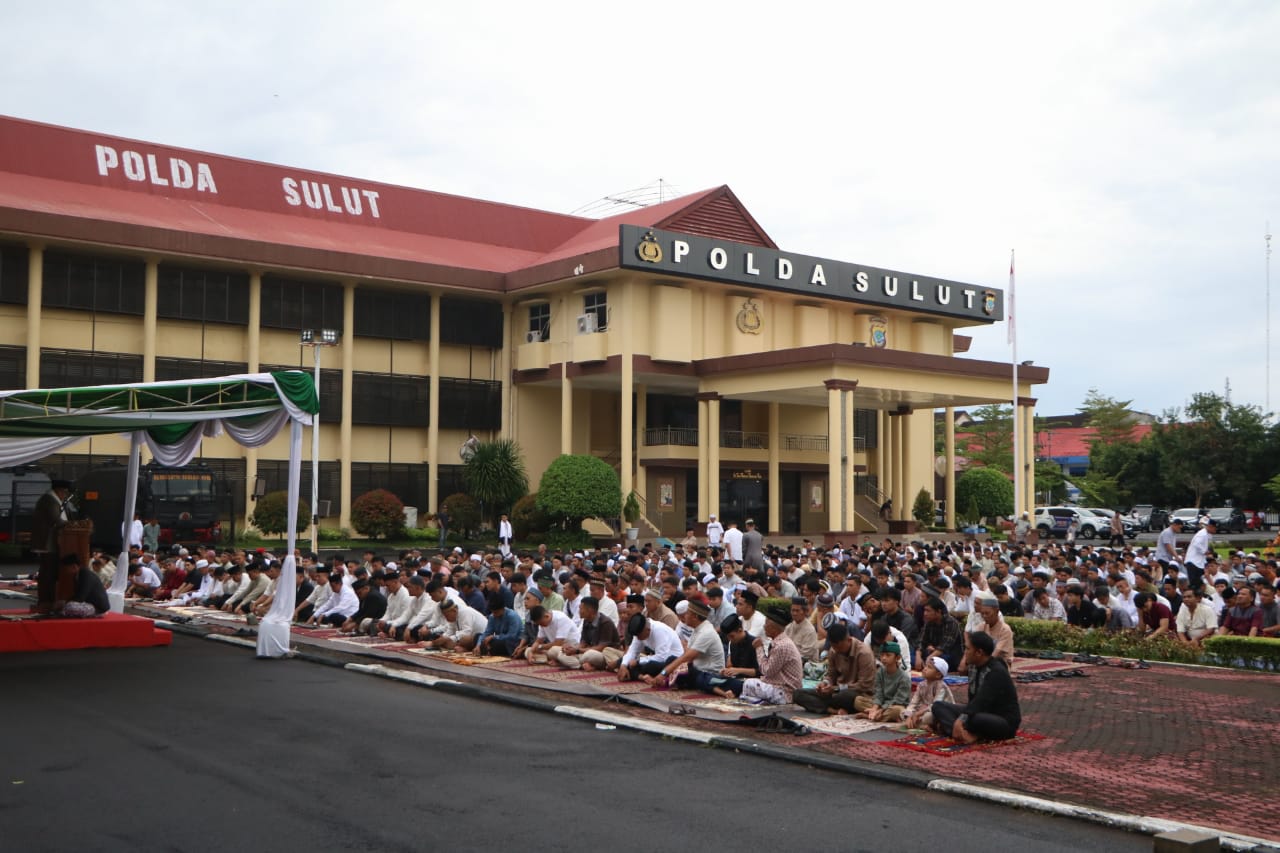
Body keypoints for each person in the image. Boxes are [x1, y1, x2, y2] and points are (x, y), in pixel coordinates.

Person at [930, 631, 1021, 743]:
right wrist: (963, 718)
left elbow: (981, 701)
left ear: (979, 652)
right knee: (938, 706)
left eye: (968, 649)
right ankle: (964, 734)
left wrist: (961, 720)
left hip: (1002, 721)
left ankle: (960, 731)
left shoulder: (997, 671)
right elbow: (972, 701)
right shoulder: (973, 666)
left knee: (974, 719)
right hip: (978, 712)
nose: (965, 652)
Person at [713, 599, 802, 705]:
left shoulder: (782, 645)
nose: (764, 627)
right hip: (772, 684)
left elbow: (765, 671)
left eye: (766, 624)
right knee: (726, 680)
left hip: (784, 692)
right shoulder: (778, 642)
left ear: (774, 628)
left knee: (741, 684)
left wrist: (758, 648)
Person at [791, 622, 876, 715]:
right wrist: (825, 683)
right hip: (835, 693)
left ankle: (821, 705)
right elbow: (831, 674)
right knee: (798, 694)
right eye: (834, 647)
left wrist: (837, 689)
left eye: (839, 647)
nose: (836, 650)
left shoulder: (864, 653)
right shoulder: (833, 651)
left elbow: (864, 685)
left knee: (845, 696)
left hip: (855, 694)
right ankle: (831, 710)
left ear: (848, 640)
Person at [652, 598, 725, 690]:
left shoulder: (707, 632)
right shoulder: (697, 629)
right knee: (670, 660)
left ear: (695, 617)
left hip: (708, 674)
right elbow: (686, 657)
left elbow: (687, 657)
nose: (684, 617)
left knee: (682, 669)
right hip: (696, 669)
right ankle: (669, 681)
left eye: (687, 614)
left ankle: (668, 681)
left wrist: (664, 673)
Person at [31, 478, 73, 613]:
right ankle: (46, 600)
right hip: (48, 542)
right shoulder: (49, 499)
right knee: (48, 572)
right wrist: (71, 525)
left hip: (53, 541)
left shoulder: (54, 499)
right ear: (59, 490)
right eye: (65, 492)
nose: (65, 495)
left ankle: (50, 599)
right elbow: (55, 519)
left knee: (49, 572)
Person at [617, 614, 683, 681]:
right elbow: (632, 651)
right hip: (655, 658)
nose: (638, 638)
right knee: (624, 662)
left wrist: (638, 661)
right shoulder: (639, 632)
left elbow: (662, 657)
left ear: (648, 630)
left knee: (650, 666)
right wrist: (623, 665)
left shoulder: (660, 630)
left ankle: (637, 675)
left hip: (672, 661)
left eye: (639, 636)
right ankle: (641, 676)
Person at [855, 642, 911, 721]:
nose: (884, 658)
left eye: (888, 655)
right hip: (881, 703)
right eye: (882, 655)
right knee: (858, 700)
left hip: (895, 705)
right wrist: (875, 707)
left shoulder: (904, 678)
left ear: (897, 658)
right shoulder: (880, 672)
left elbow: (898, 700)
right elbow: (878, 693)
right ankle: (876, 714)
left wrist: (881, 710)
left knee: (897, 711)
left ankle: (870, 716)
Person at [904, 656, 955, 731]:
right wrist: (909, 716)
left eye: (929, 667)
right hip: (924, 710)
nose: (925, 669)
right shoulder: (921, 685)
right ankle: (920, 724)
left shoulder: (941, 686)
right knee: (903, 712)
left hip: (940, 711)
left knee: (928, 716)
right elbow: (913, 703)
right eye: (925, 666)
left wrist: (917, 714)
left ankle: (927, 725)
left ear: (938, 674)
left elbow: (935, 706)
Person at [54, 552, 110, 617]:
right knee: (64, 604)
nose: (66, 570)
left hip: (98, 608)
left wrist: (65, 603)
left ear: (74, 566)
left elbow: (81, 597)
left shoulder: (86, 575)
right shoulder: (77, 576)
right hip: (89, 604)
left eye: (67, 568)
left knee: (70, 606)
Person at [1184, 517, 1215, 588]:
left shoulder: (1206, 534)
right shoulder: (1202, 534)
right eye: (1215, 528)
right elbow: (1197, 544)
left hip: (1198, 563)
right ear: (1210, 526)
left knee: (1199, 584)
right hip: (1193, 563)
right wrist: (1204, 551)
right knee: (1194, 585)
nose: (1215, 530)